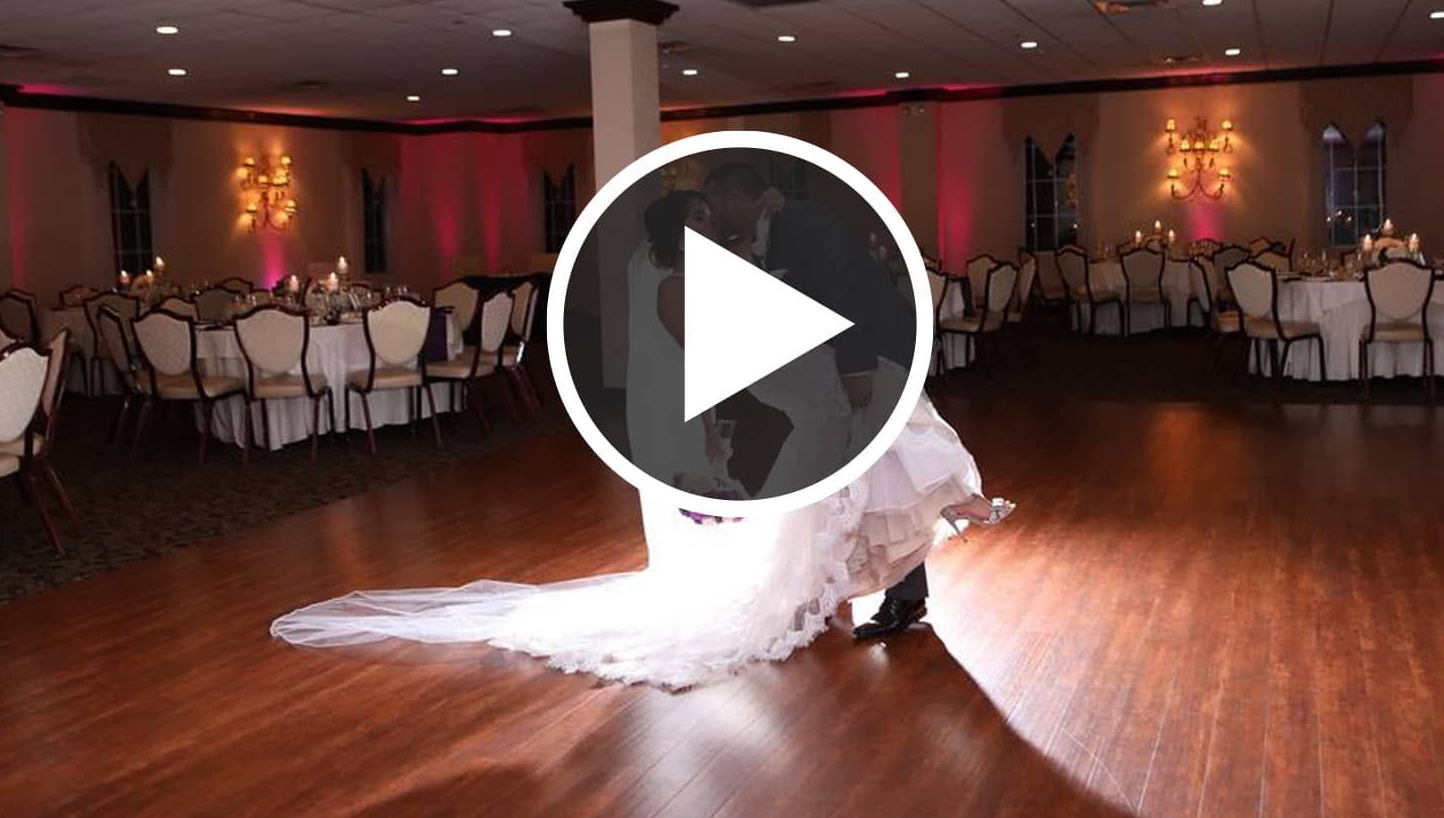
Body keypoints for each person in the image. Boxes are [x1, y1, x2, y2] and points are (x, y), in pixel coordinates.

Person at [271, 191, 1013, 687]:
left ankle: (917, 536)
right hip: (794, 388)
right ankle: (921, 530)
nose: (717, 224)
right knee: (858, 460)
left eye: (714, 214)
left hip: (815, 391)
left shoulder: (735, 268)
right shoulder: (674, 287)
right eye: (702, 218)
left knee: (872, 449)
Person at [700, 162, 945, 639]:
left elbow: (843, 295)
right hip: (831, 381)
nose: (715, 216)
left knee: (883, 479)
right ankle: (835, 588)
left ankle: (905, 595)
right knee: (848, 484)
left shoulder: (804, 221)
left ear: (733, 198)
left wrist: (857, 371)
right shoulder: (757, 238)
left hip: (876, 359)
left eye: (715, 206)